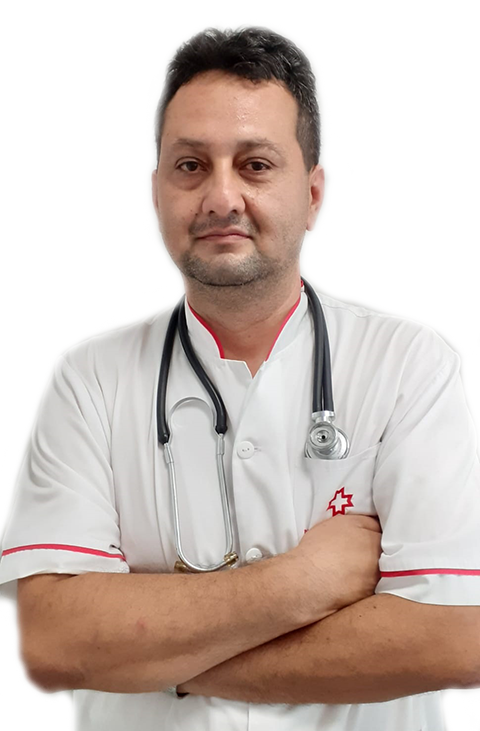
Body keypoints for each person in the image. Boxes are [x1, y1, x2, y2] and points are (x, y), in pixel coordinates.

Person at [1, 22, 479, 731]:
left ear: (313, 194)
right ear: (156, 192)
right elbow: (52, 643)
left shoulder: (409, 365)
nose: (221, 196)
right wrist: (305, 581)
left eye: (255, 164)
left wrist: (160, 659)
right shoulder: (88, 381)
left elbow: (455, 639)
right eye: (190, 165)